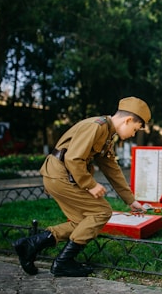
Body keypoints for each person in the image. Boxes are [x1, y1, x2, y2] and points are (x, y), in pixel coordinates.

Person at [13, 96, 150, 277]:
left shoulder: (107, 134)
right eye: (135, 129)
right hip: (60, 175)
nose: (133, 134)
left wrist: (131, 201)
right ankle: (63, 262)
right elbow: (73, 158)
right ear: (128, 120)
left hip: (61, 175)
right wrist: (90, 184)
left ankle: (30, 244)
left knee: (83, 222)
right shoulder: (96, 126)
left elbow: (112, 170)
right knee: (101, 211)